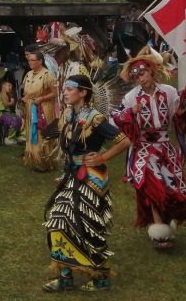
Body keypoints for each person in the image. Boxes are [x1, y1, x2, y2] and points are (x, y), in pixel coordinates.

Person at [43, 74, 130, 292]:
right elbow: (69, 149)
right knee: (58, 219)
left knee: (88, 225)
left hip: (91, 178)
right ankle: (65, 276)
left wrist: (102, 157)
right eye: (64, 89)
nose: (65, 92)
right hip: (72, 175)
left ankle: (101, 277)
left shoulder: (95, 118)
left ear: (83, 92)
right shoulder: (67, 114)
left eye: (69, 89)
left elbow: (125, 140)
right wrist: (65, 173)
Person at [111, 47, 186, 249]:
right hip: (143, 150)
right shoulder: (132, 97)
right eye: (135, 77)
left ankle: (167, 221)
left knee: (172, 187)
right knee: (152, 187)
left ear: (151, 70)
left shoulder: (168, 92)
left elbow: (179, 115)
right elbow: (115, 118)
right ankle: (159, 229)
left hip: (165, 147)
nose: (140, 79)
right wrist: (131, 112)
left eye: (142, 74)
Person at [21, 46, 59, 172]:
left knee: (42, 133)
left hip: (43, 108)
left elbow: (55, 92)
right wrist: (26, 98)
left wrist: (42, 99)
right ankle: (35, 159)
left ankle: (46, 161)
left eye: (32, 60)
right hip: (30, 108)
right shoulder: (28, 74)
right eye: (29, 60)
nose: (30, 62)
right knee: (32, 133)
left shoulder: (48, 75)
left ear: (40, 61)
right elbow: (27, 91)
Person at [0, 76, 21, 145]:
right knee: (14, 120)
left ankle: (17, 137)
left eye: (11, 86)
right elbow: (6, 105)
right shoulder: (3, 93)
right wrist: (12, 102)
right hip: (2, 114)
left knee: (19, 119)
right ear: (3, 86)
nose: (10, 87)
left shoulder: (7, 94)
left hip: (7, 113)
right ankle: (9, 138)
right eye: (9, 85)